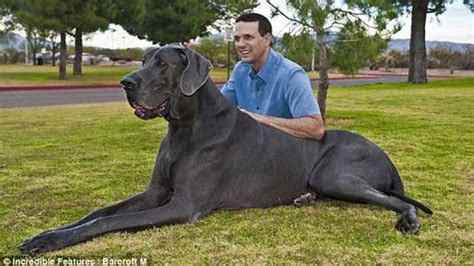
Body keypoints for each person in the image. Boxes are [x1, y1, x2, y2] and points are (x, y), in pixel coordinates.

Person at [221, 13, 325, 140]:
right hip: (251, 152)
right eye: (237, 39)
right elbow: (218, 106)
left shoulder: (292, 75)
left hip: (287, 154)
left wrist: (257, 119)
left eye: (248, 37)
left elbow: (315, 128)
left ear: (267, 39)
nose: (240, 44)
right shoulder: (240, 70)